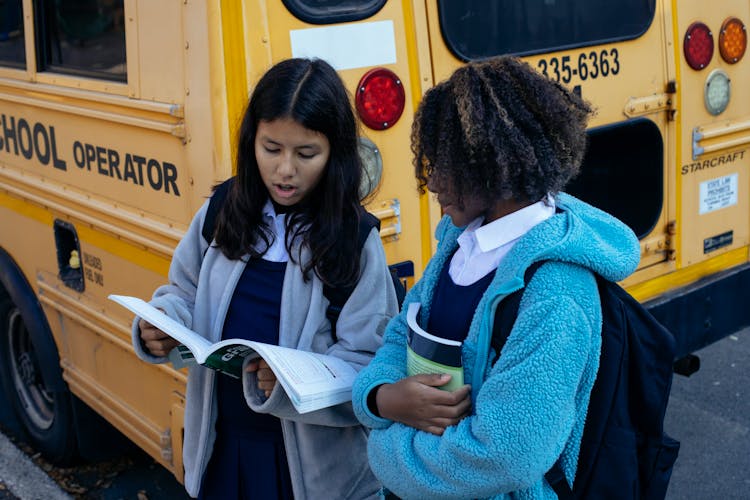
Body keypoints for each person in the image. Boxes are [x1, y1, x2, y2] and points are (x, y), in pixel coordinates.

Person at [352, 56, 641, 499]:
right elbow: (403, 333)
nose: (430, 183)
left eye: (443, 163)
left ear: (495, 165)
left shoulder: (556, 293)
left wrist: (388, 450)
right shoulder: (460, 239)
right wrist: (380, 397)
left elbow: (506, 453)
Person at [133, 58, 398, 499]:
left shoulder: (353, 240)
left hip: (312, 476)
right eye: (271, 149)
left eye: (306, 154)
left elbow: (370, 362)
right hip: (221, 450)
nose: (285, 170)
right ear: (250, 140)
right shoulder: (224, 210)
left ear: (336, 153)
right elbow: (182, 291)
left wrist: (293, 384)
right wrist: (161, 322)